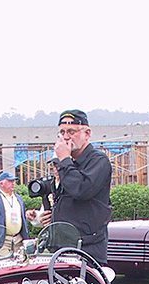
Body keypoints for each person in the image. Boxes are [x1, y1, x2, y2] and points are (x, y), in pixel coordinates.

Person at [47, 109, 113, 264]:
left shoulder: (98, 161)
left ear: (87, 134)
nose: (66, 137)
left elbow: (81, 190)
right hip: (63, 247)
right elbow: (67, 201)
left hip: (88, 248)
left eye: (71, 131)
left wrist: (64, 160)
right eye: (62, 132)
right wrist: (51, 216)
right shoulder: (67, 164)